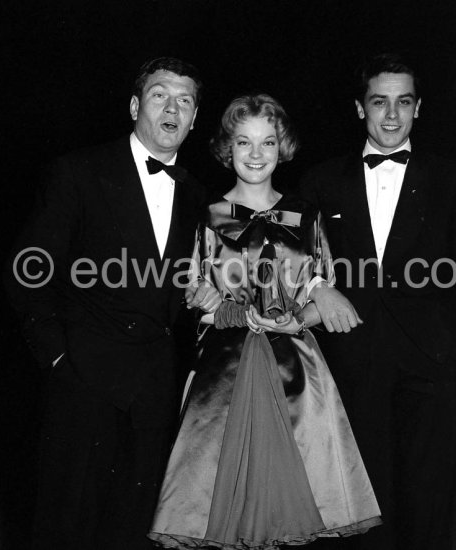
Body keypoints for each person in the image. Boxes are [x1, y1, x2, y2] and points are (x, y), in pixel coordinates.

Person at [148, 93, 381, 549]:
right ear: (226, 148)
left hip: (296, 366)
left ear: (283, 147)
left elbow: (322, 289)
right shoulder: (209, 217)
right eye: (243, 143)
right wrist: (231, 310)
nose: (256, 155)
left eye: (267, 143)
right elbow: (194, 295)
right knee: (222, 503)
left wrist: (298, 320)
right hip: (225, 370)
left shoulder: (305, 215)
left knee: (296, 503)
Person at [5, 56, 220, 550]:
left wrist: (196, 296)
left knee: (132, 527)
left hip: (155, 389)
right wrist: (58, 357)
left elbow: (173, 282)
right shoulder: (78, 171)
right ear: (133, 106)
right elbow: (26, 272)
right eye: (160, 95)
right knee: (66, 525)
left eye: (185, 101)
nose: (172, 108)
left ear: (193, 118)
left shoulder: (194, 194)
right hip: (85, 381)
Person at [300, 53, 456, 549]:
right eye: (379, 102)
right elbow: (296, 260)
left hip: (432, 360)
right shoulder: (323, 181)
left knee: (427, 504)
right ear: (359, 109)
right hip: (353, 359)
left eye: (403, 102)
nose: (391, 115)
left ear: (418, 108)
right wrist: (321, 286)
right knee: (361, 506)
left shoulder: (454, 179)